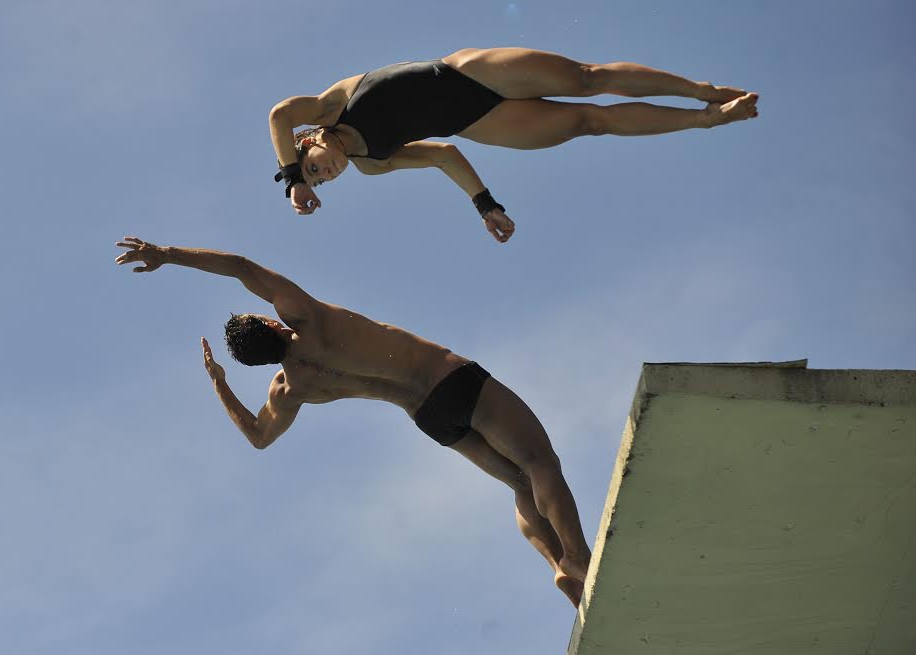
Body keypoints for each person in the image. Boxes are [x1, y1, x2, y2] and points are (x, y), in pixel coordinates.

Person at [115, 235, 593, 606]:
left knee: (517, 484)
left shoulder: (291, 388)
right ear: (269, 324)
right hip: (447, 379)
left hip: (428, 417)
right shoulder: (307, 319)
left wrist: (220, 385)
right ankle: (577, 555)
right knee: (538, 461)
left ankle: (556, 565)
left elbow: (259, 437)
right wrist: (168, 254)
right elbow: (241, 267)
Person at [270, 47, 759, 242]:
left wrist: (291, 182)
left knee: (587, 80)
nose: (324, 176)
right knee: (590, 123)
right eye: (322, 182)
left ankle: (700, 89)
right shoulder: (371, 163)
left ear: (309, 143)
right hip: (476, 119)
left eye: (312, 168)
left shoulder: (328, 107)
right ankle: (707, 119)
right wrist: (485, 205)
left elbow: (278, 114)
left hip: (466, 72)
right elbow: (443, 154)